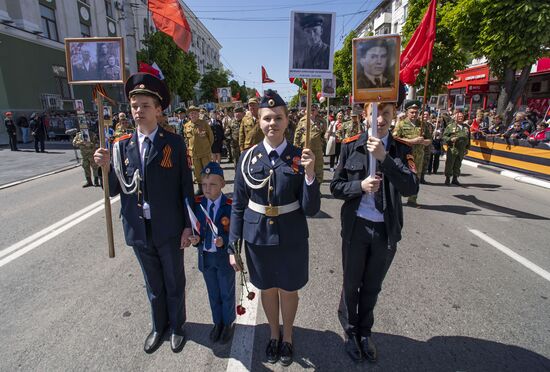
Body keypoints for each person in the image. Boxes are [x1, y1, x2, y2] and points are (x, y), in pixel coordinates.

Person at [93, 73, 194, 354]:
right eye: (135, 105)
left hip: (169, 227)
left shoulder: (172, 143)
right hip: (139, 228)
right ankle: (158, 326)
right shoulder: (120, 146)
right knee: (153, 284)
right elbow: (114, 190)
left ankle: (177, 327)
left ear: (159, 110)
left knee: (173, 281)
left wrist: (188, 226)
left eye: (145, 105)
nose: (139, 111)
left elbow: (186, 188)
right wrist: (105, 168)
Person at [228, 90, 320, 366]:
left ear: (286, 121)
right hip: (257, 236)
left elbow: (311, 208)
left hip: (291, 236)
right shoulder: (247, 158)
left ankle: (288, 336)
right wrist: (234, 245)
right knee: (268, 289)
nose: (272, 123)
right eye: (267, 118)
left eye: (278, 117)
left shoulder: (299, 157)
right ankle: (273, 333)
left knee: (288, 289)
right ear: (258, 121)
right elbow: (238, 205)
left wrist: (311, 174)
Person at [330, 100, 418, 364]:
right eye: (375, 114)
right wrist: (360, 186)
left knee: (372, 286)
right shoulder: (350, 145)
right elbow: (336, 187)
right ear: (366, 116)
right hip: (356, 228)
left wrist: (385, 158)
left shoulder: (401, 149)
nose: (380, 119)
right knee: (351, 283)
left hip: (385, 230)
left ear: (393, 116)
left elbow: (411, 187)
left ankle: (365, 333)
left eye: (386, 114)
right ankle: (350, 331)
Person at [189, 162, 235, 344]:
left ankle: (228, 324)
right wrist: (196, 240)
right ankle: (217, 323)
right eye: (204, 184)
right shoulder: (198, 204)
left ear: (223, 184)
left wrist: (224, 240)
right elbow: (197, 230)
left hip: (222, 257)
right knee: (213, 293)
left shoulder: (230, 205)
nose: (207, 189)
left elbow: (235, 232)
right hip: (206, 257)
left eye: (213, 184)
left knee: (226, 293)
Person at [392, 101, 430, 205]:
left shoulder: (423, 125)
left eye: (416, 112)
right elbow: (395, 138)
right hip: (405, 156)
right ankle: (397, 197)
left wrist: (423, 141)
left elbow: (429, 140)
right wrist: (411, 141)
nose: (414, 115)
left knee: (415, 177)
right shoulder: (401, 124)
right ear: (407, 112)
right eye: (412, 112)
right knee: (402, 175)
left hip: (418, 156)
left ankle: (412, 199)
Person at [184, 106, 213, 195]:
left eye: (195, 113)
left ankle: (210, 188)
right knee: (197, 173)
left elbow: (211, 137)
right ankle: (201, 189)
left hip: (205, 153)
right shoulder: (186, 126)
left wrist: (207, 148)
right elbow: (186, 140)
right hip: (194, 154)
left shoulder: (204, 123)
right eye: (191, 113)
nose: (193, 115)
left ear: (198, 114)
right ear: (189, 115)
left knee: (207, 171)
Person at [294, 104, 327, 182]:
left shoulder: (322, 120)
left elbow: (323, 133)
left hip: (317, 149)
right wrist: (295, 148)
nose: (313, 109)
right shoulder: (302, 121)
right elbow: (297, 135)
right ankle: (305, 187)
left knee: (318, 168)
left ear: (317, 110)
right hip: (305, 149)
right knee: (304, 167)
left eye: (315, 108)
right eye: (311, 108)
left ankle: (317, 188)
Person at [442, 110, 470, 185]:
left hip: (461, 149)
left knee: (458, 164)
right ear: (455, 118)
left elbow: (468, 138)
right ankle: (447, 178)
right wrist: (450, 139)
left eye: (462, 116)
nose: (461, 118)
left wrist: (467, 148)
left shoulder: (466, 127)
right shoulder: (450, 126)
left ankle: (455, 178)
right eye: (459, 116)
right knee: (450, 164)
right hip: (453, 148)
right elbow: (444, 136)